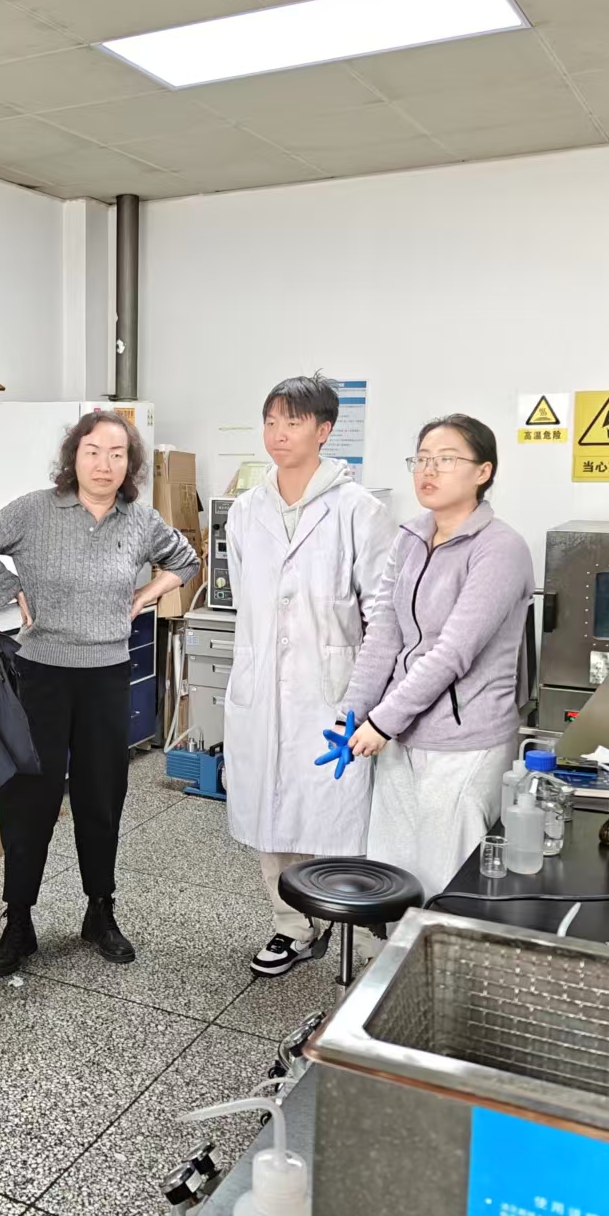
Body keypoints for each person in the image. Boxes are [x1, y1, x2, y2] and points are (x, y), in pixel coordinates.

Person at [0, 411, 199, 977]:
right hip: (40, 675)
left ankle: (100, 910)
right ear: (74, 457)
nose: (104, 464)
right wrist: (11, 590)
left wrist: (146, 596)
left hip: (106, 676)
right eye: (93, 451)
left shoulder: (140, 519)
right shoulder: (36, 510)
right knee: (28, 800)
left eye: (117, 454)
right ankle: (18, 920)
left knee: (101, 797)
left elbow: (185, 559)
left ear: (130, 464)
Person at [222, 375, 395, 978]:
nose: (278, 434)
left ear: (324, 431)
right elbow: (248, 601)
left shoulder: (359, 510)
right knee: (270, 810)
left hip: (333, 689)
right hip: (261, 685)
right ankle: (291, 925)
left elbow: (383, 613)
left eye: (292, 422)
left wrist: (372, 699)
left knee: (339, 814)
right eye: (270, 421)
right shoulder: (245, 511)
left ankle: (364, 933)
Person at [340, 414, 535, 898]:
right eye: (422, 459)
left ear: (483, 471)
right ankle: (393, 950)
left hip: (463, 742)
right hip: (402, 735)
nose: (429, 470)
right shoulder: (410, 538)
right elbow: (383, 633)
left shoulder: (501, 549)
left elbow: (453, 652)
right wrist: (352, 713)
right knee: (392, 876)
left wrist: (381, 722)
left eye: (446, 459)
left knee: (446, 881)